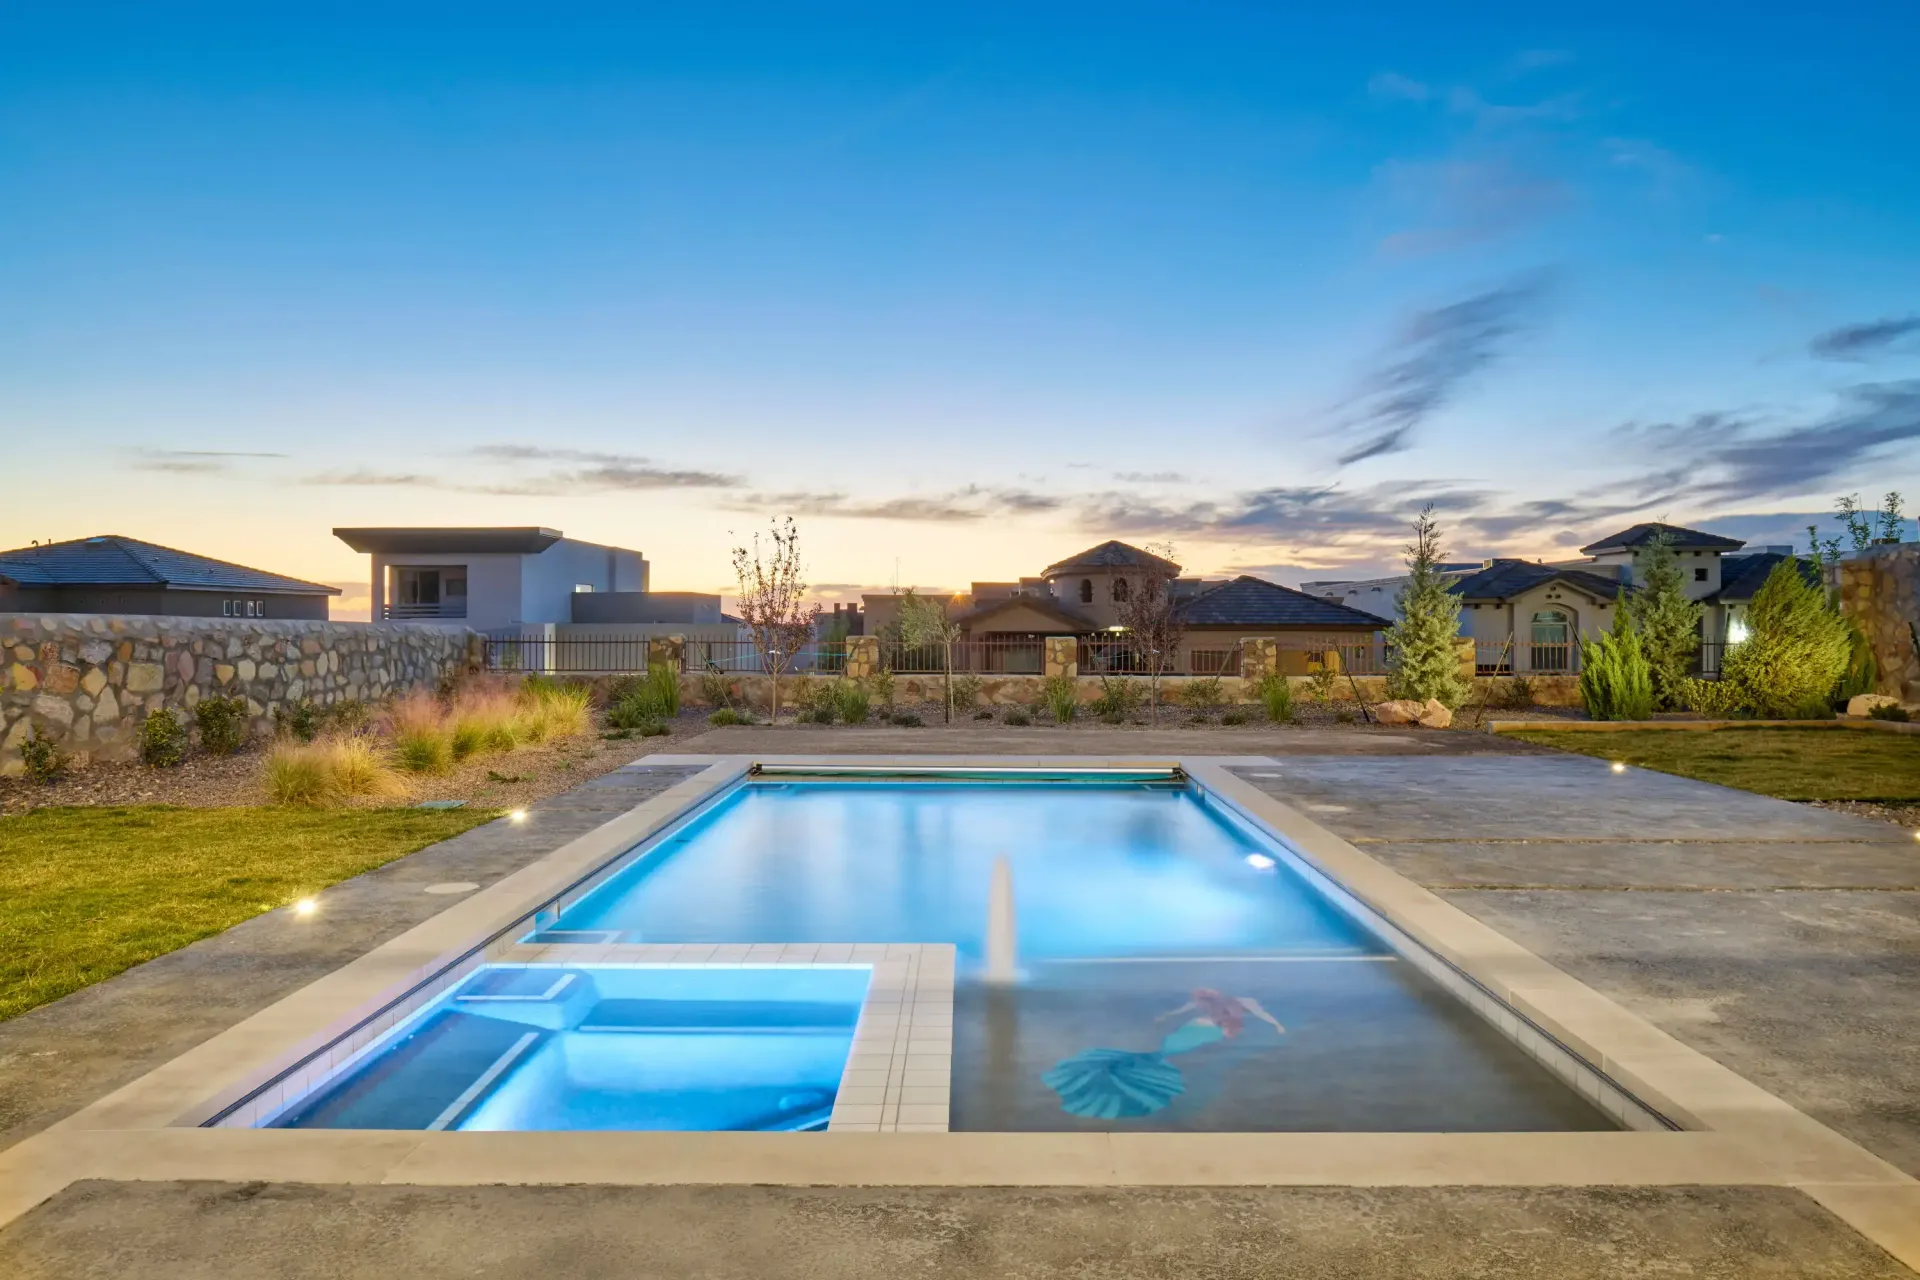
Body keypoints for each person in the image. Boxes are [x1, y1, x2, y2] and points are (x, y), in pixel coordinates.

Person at [1041, 987, 1285, 1120]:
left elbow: (1184, 1008)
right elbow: (1261, 1014)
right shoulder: (1246, 1002)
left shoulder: (1212, 1003)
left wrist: (1165, 1016)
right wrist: (1276, 1025)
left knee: (1168, 1047)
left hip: (1198, 1025)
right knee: (1172, 1051)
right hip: (1211, 1030)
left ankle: (1143, 1062)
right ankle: (1146, 1068)